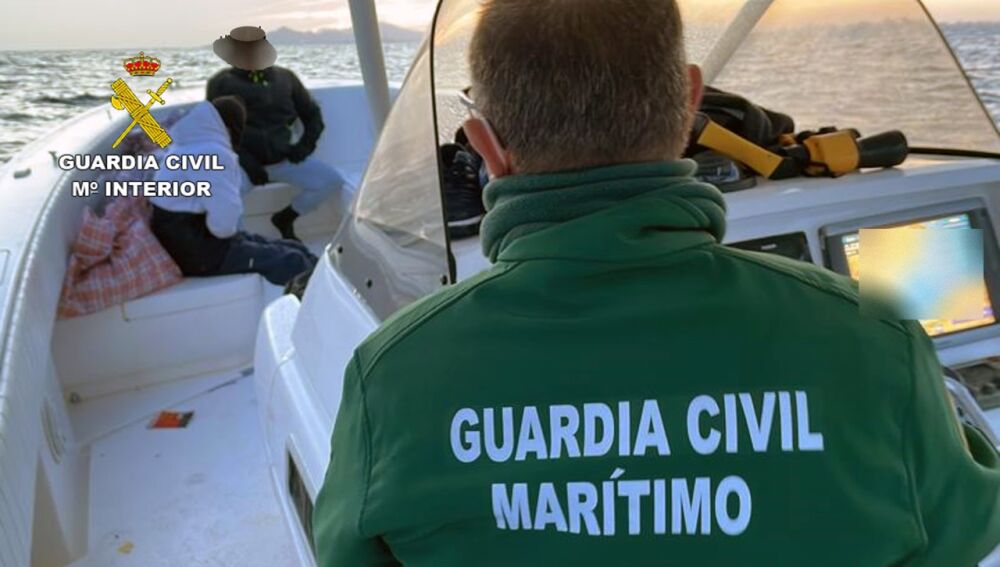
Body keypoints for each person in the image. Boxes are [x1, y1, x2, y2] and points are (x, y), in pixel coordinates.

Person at [312, 1, 1000, 565]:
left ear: (485, 143)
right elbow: (961, 529)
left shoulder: (392, 375)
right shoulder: (876, 339)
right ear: (690, 104)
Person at [150, 97, 317, 286]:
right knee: (292, 261)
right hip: (196, 252)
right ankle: (315, 300)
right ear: (231, 128)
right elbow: (223, 226)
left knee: (294, 248)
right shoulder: (213, 153)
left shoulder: (188, 143)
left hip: (183, 241)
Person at [207, 26, 345, 241]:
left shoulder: (286, 78)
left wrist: (305, 146)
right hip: (242, 165)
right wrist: (245, 160)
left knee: (331, 180)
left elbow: (312, 114)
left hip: (283, 159)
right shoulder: (221, 83)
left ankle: (285, 218)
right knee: (224, 197)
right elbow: (213, 129)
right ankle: (242, 244)